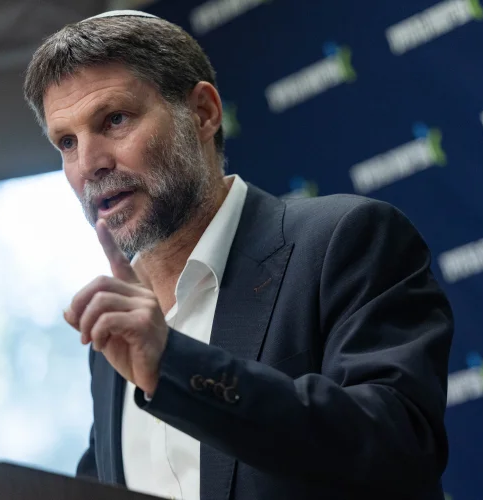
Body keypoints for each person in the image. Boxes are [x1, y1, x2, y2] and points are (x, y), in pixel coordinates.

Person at [23, 10, 454, 500]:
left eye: (114, 119)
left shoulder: (344, 240)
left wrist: (175, 363)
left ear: (203, 113)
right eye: (67, 142)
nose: (89, 164)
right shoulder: (114, 330)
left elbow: (399, 448)